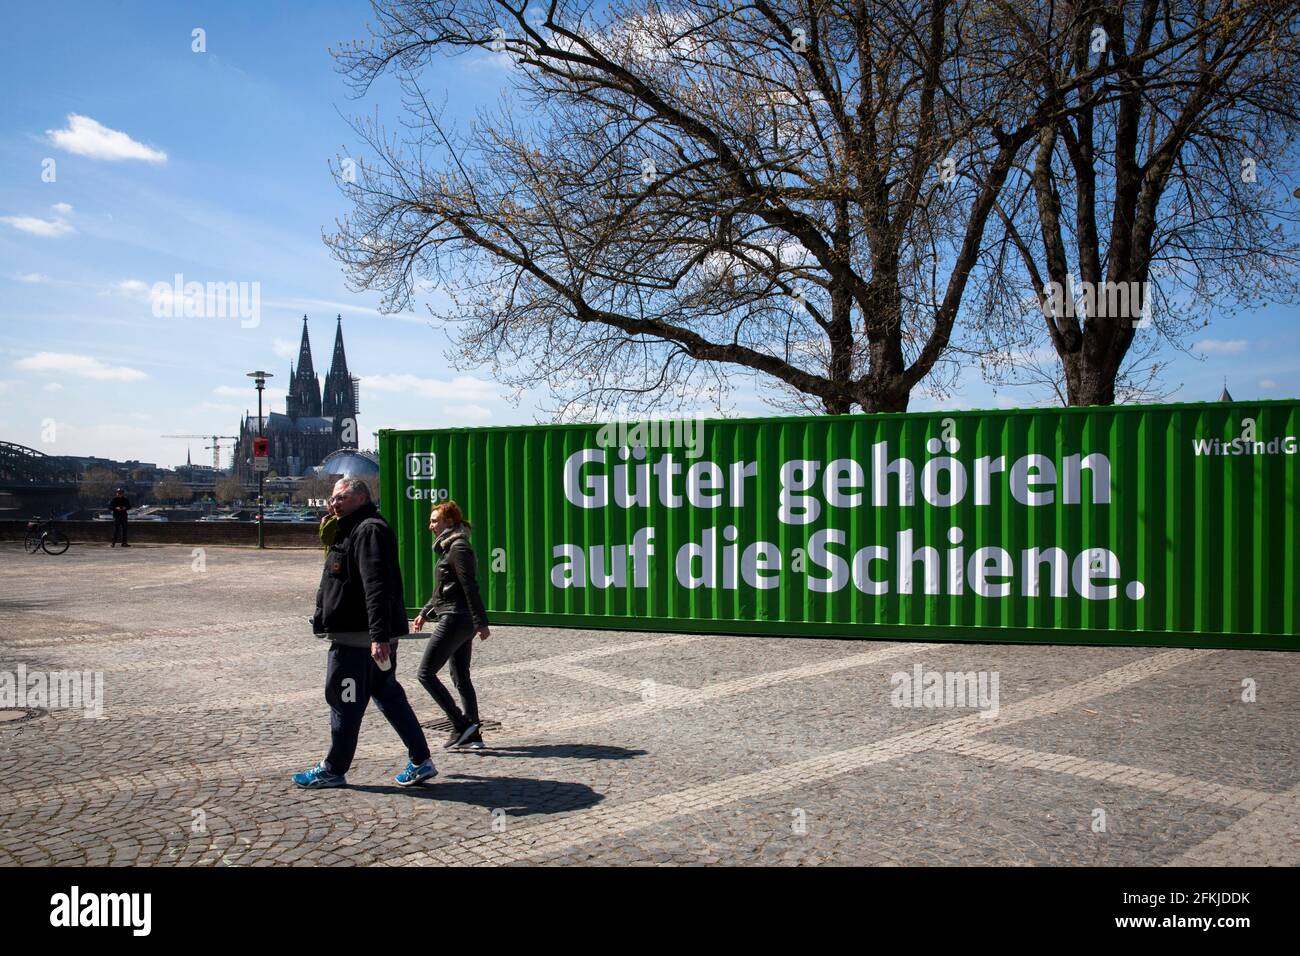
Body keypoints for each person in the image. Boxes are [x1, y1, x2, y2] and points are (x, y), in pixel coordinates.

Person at [293, 478, 436, 789]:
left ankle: (333, 768)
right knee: (389, 696)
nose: (333, 503)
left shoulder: (368, 529)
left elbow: (376, 585)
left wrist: (378, 636)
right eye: (332, 498)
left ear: (360, 497)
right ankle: (421, 760)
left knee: (344, 701)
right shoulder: (352, 527)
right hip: (364, 637)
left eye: (340, 497)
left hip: (358, 642)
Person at [413, 500, 491, 750]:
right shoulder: (450, 548)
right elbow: (444, 589)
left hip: (456, 618)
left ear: (450, 522)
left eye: (435, 521)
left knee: (425, 673)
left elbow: (469, 586)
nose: (430, 526)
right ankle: (473, 735)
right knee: (460, 677)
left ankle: (460, 724)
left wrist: (481, 622)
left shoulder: (458, 548)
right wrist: (425, 612)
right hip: (458, 616)